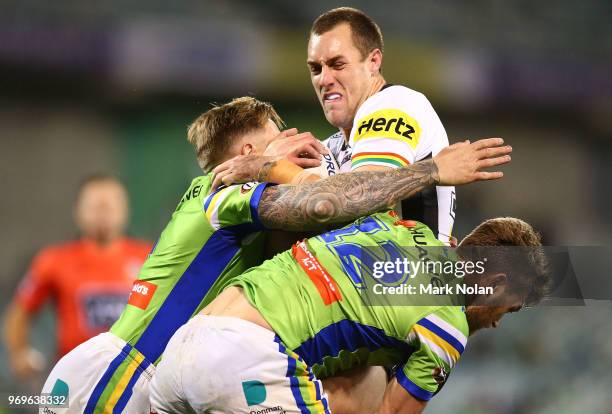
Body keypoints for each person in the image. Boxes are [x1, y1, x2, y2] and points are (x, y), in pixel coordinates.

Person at [39, 97, 511, 413]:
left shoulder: (237, 210)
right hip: (122, 375)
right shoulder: (228, 193)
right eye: (281, 135)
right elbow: (325, 202)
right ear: (247, 152)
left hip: (157, 370)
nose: (301, 141)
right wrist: (430, 171)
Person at [149, 214, 550, 414]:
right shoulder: (447, 328)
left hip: (182, 349)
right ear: (494, 284)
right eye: (508, 308)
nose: (498, 321)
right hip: (244, 363)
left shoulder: (397, 225)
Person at [309, 7, 457, 245]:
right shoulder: (333, 145)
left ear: (373, 62)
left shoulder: (394, 103)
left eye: (337, 64)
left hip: (408, 276)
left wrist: (271, 172)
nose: (324, 80)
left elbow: (361, 194)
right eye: (316, 69)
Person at [4, 174, 151, 381]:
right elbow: (19, 313)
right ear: (78, 211)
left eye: (111, 205)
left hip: (131, 378)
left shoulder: (151, 259)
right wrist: (20, 353)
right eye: (95, 206)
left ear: (125, 209)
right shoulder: (53, 261)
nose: (104, 213)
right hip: (74, 378)